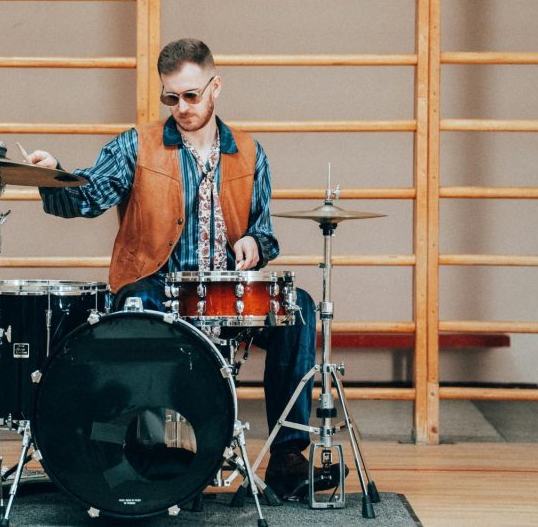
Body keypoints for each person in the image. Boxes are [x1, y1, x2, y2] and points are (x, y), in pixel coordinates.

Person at [25, 38, 337, 500]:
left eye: (191, 95)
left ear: (215, 86)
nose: (182, 107)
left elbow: (265, 233)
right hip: (155, 286)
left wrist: (255, 242)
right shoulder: (136, 145)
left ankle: (289, 457)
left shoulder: (250, 152)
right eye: (171, 97)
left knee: (302, 310)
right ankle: (142, 457)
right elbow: (86, 199)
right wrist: (53, 174)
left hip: (222, 292)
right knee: (137, 308)